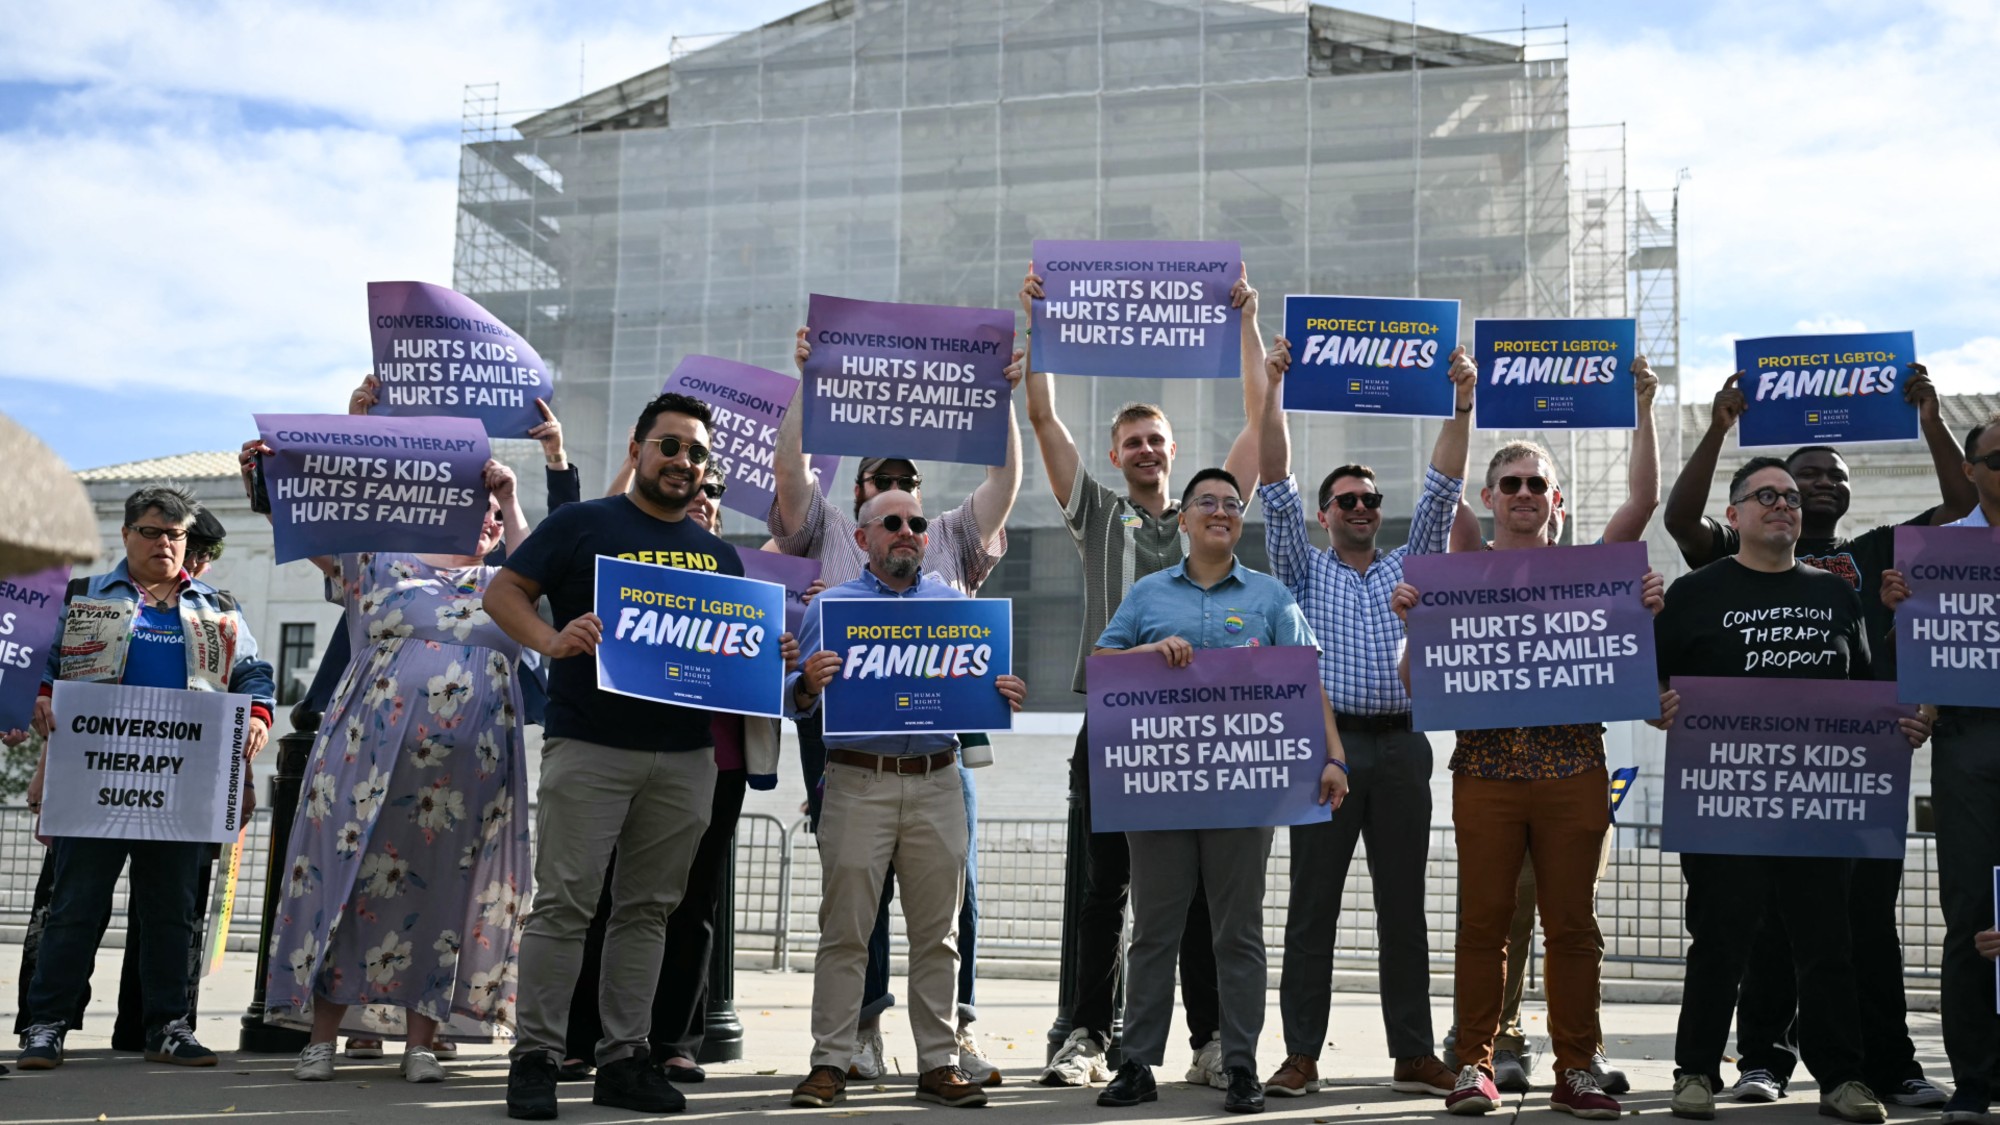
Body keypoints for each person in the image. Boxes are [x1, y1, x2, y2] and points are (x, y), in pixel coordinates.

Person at [1662, 366, 1967, 1111]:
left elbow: (1864, 687)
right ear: (1736, 513)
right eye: (1778, 489)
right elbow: (1656, 679)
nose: (1795, 499)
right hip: (1731, 797)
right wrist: (1659, 703)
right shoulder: (1700, 585)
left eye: (1803, 493)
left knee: (1839, 938)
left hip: (1830, 799)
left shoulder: (1847, 580)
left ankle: (1853, 1073)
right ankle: (1723, 1066)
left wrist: (1901, 715)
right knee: (1732, 938)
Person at [1019, 263, 1268, 1090]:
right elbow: (1046, 418)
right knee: (1104, 889)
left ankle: (1204, 1038)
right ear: (1119, 456)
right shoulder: (1098, 511)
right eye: (1131, 442)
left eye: (1156, 439)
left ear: (1172, 449)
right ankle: (1088, 1033)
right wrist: (1041, 322)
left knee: (1195, 894)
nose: (1146, 450)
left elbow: (1259, 427)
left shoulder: (1209, 509)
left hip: (1202, 723)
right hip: (1118, 721)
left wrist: (1245, 323)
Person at [236, 448, 534, 1085]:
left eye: (493, 514)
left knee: (446, 901)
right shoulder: (384, 562)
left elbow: (547, 574)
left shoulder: (507, 585)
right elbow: (316, 524)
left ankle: (420, 1044)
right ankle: (322, 1038)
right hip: (364, 764)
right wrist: (332, 441)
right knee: (350, 884)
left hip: (467, 781)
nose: (486, 520)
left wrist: (510, 497)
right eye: (475, 506)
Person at [773, 334, 1026, 1082]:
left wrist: (999, 690)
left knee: (944, 917)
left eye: (912, 499)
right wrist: (806, 380)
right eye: (889, 503)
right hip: (852, 765)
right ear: (860, 518)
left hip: (941, 761)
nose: (908, 526)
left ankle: (946, 1051)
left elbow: (1005, 483)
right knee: (849, 919)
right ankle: (844, 1047)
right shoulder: (828, 572)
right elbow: (788, 471)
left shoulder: (950, 564)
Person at [484, 392, 744, 1120]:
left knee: (647, 911)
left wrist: (767, 655)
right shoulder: (582, 524)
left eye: (697, 452)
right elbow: (504, 591)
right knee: (565, 905)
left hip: (686, 757)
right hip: (591, 745)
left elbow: (731, 656)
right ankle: (534, 1056)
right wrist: (550, 640)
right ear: (637, 449)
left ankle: (625, 1058)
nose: (683, 462)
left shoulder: (719, 556)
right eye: (670, 446)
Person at [1390, 436, 1665, 1121]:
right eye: (1509, 484)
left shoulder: (1593, 574)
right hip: (1487, 774)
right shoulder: (1459, 576)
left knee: (1572, 925)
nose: (1521, 494)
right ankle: (1474, 1065)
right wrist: (1417, 626)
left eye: (1534, 485)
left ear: (1555, 501)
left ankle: (1576, 1066)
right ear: (1488, 499)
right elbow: (1413, 685)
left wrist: (1643, 611)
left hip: (1575, 770)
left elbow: (1644, 502)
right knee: (1483, 925)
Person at [1089, 466, 1347, 1116]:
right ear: (1184, 518)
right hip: (1160, 791)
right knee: (1154, 929)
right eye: (1207, 501)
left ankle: (1240, 1065)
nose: (1221, 511)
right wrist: (1150, 655)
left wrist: (1334, 756)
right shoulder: (1147, 596)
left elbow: (1306, 677)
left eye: (1232, 503)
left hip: (1242, 792)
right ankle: (1137, 1064)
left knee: (1240, 933)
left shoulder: (1270, 596)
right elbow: (1098, 669)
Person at [1252, 336, 1471, 1099]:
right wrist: (1273, 386)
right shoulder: (1300, 568)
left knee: (1402, 909)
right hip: (1329, 751)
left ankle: (1412, 1049)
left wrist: (1462, 402)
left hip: (1406, 746)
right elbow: (1273, 479)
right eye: (1347, 499)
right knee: (1312, 909)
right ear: (1325, 512)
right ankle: (1302, 1053)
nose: (1361, 508)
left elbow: (1443, 484)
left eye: (1371, 499)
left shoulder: (1413, 562)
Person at [13, 484, 275, 1071]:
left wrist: (257, 714)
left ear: (187, 541)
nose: (165, 544)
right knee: (76, 906)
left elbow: (253, 672)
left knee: (171, 911)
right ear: (127, 534)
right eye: (152, 532)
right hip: (93, 783)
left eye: (176, 535)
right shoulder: (86, 597)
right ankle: (47, 1025)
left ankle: (169, 1027)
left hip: (183, 790)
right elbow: (41, 664)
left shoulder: (218, 608)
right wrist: (41, 694)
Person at [559, 472, 786, 1083]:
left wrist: (778, 653)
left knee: (693, 904)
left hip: (719, 762)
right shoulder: (633, 570)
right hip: (629, 751)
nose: (705, 500)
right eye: (698, 491)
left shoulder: (740, 577)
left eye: (714, 494)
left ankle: (676, 1042)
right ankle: (582, 1037)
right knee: (607, 898)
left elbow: (764, 666)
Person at [1879, 413, 2000, 1125]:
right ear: (1974, 470)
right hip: (1969, 737)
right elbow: (1917, 652)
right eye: (1999, 458)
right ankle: (1977, 1080)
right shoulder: (1938, 550)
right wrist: (1902, 610)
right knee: (1972, 916)